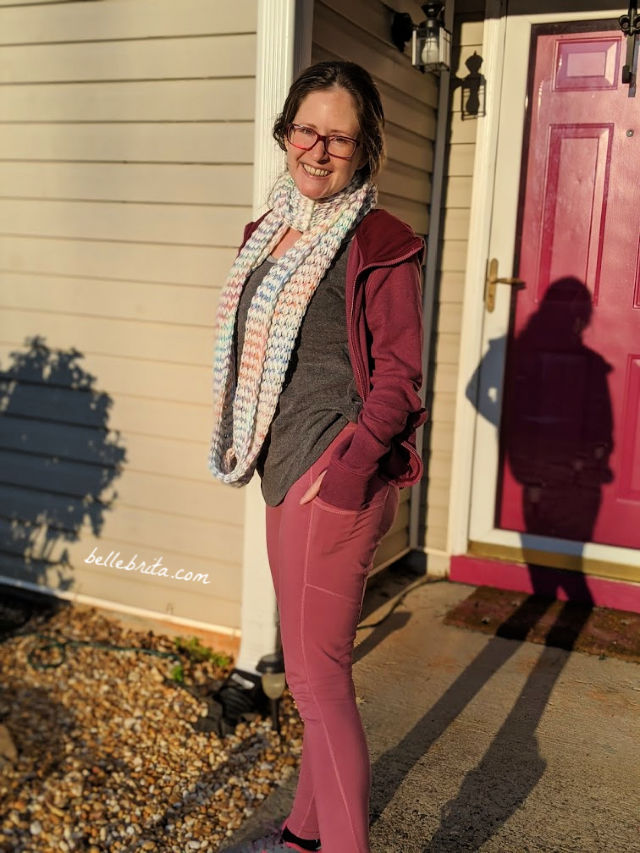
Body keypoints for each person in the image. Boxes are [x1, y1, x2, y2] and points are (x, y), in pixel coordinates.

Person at [209, 60, 427, 853]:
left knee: (318, 679)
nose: (319, 148)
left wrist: (343, 475)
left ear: (365, 147)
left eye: (339, 136)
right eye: (307, 128)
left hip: (333, 479)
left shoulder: (381, 241)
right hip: (281, 470)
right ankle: (305, 829)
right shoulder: (268, 229)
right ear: (286, 131)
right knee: (308, 672)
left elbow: (401, 377)